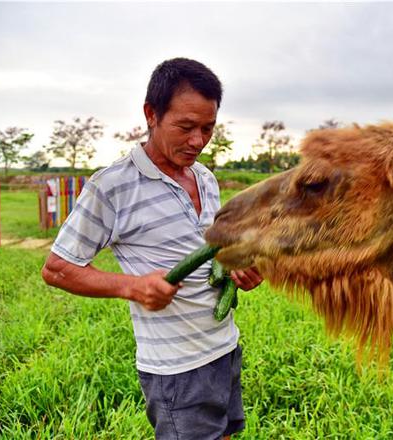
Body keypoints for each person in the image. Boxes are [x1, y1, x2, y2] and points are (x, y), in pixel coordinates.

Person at [42, 58, 262, 439]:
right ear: (151, 114)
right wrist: (132, 286)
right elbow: (57, 268)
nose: (198, 140)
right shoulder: (111, 187)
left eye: (208, 128)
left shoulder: (206, 179)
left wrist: (237, 266)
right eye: (186, 126)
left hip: (225, 347)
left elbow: (212, 249)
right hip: (176, 370)